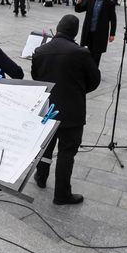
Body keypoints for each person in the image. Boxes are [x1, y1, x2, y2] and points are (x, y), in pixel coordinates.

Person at [31, 15, 101, 205]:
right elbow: (94, 80)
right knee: (67, 152)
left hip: (48, 108)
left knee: (46, 147)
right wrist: (78, 90)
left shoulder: (39, 51)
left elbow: (36, 78)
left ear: (58, 28)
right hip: (73, 110)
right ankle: (61, 194)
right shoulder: (81, 53)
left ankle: (41, 176)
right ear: (75, 32)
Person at [74, 0, 117, 67]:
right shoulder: (91, 0)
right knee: (88, 53)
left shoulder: (110, 4)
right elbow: (78, 9)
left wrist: (112, 34)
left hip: (100, 34)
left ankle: (94, 73)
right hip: (89, 32)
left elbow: (113, 20)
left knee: (97, 55)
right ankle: (88, 71)